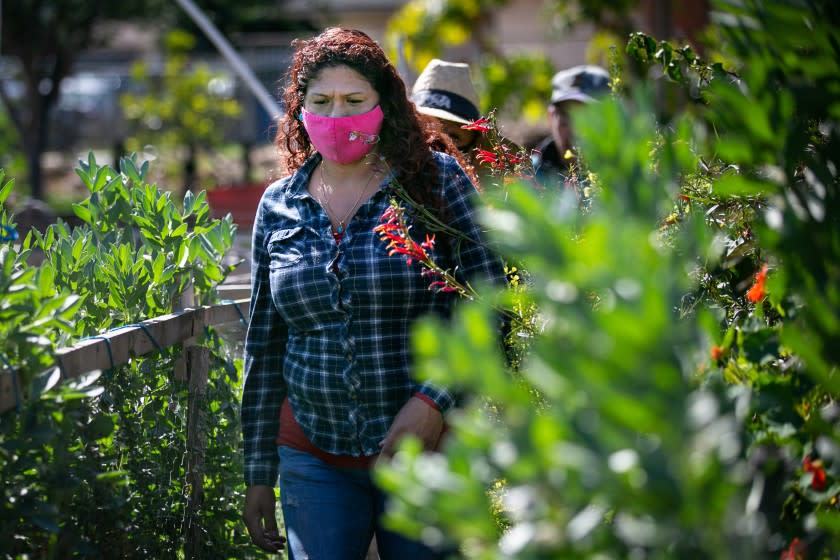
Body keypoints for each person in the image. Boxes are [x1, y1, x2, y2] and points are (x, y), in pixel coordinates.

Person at [241, 27, 506, 559]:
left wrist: (433, 401)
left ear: (385, 105)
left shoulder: (433, 183)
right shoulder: (279, 206)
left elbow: (489, 300)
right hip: (312, 456)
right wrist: (256, 474)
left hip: (427, 453)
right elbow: (264, 346)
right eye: (322, 102)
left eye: (354, 100)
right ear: (300, 113)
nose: (338, 116)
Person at [532, 64, 610, 189]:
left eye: (588, 118)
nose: (576, 130)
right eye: (566, 116)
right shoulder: (527, 176)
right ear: (551, 117)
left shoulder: (628, 178)